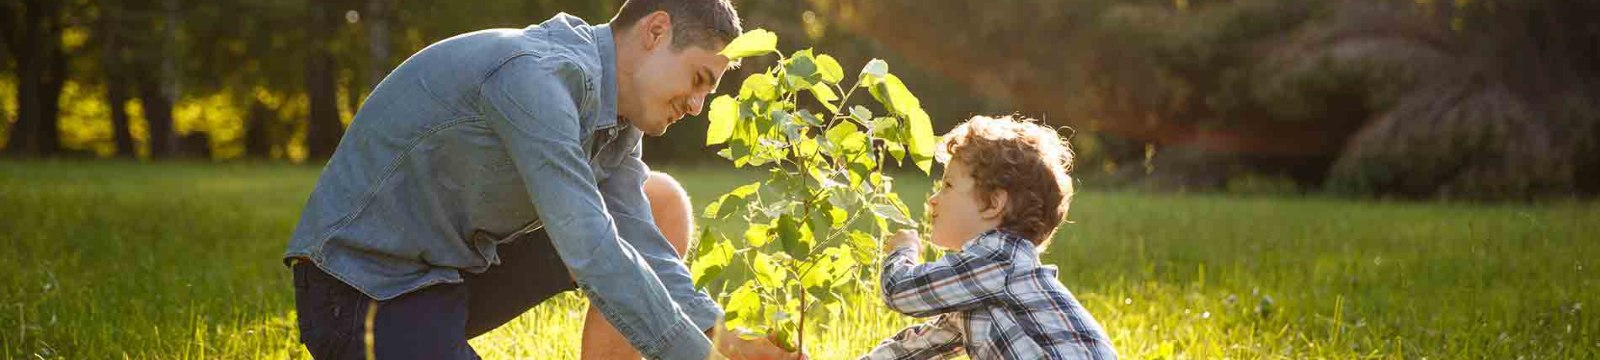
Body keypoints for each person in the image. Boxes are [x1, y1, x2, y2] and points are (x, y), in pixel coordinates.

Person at [282, 1, 797, 358]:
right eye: (699, 79)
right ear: (655, 31)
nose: (697, 105)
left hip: (447, 277)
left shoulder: (616, 116)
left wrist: (723, 338)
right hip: (360, 290)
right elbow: (593, 251)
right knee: (596, 241)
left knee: (656, 203)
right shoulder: (538, 79)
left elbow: (641, 239)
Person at [859, 116, 1117, 359]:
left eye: (948, 186)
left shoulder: (999, 259)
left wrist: (903, 250)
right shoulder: (986, 282)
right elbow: (916, 347)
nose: (933, 200)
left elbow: (900, 291)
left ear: (994, 203)